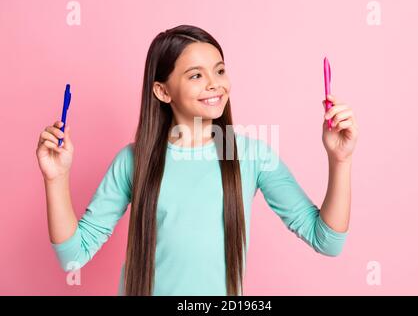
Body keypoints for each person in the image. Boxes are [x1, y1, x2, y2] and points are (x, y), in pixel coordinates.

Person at [36, 24, 359, 296]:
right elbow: (73, 257)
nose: (214, 83)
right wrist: (56, 178)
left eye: (219, 70)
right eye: (195, 76)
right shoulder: (133, 160)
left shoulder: (251, 155)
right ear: (163, 92)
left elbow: (327, 241)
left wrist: (339, 160)